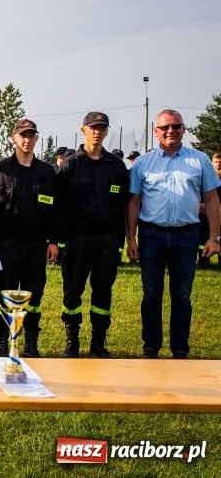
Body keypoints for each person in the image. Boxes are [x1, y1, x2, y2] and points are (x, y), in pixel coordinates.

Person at [127, 109, 220, 359]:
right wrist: (131, 238)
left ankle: (180, 350)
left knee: (182, 295)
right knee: (151, 294)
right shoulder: (143, 163)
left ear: (184, 129)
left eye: (176, 126)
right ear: (156, 131)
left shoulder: (199, 160)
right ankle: (150, 348)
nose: (171, 131)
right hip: (151, 236)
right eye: (165, 127)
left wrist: (213, 237)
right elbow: (134, 202)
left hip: (186, 237)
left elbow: (212, 200)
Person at [55, 112, 129, 358]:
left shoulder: (117, 167)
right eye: (92, 127)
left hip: (107, 240)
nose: (97, 131)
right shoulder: (70, 165)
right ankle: (72, 342)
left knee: (103, 292)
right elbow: (57, 207)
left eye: (102, 127)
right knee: (72, 291)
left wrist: (121, 243)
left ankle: (98, 344)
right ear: (83, 130)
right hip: (77, 239)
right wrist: (59, 241)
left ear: (107, 132)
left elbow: (122, 208)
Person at [0, 119, 60, 358]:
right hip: (5, 245)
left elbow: (57, 210)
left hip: (36, 245)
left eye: (31, 135)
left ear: (37, 138)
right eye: (22, 135)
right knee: (3, 294)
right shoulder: (1, 170)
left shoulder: (47, 172)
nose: (27, 139)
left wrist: (54, 241)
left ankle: (30, 346)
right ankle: (2, 345)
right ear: (13, 138)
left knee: (34, 296)